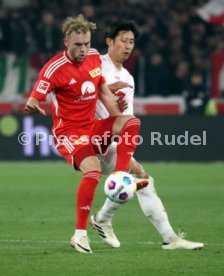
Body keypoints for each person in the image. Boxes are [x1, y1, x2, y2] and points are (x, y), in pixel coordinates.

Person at [24, 14, 143, 254]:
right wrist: (33, 106)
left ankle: (119, 175)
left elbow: (103, 92)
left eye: (87, 43)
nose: (84, 49)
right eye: (78, 44)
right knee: (93, 171)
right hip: (69, 132)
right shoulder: (53, 69)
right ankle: (79, 234)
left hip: (92, 126)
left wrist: (114, 119)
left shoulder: (92, 58)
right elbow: (32, 100)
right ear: (66, 42)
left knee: (131, 122)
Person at [90, 21, 204, 250]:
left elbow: (127, 119)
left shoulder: (128, 78)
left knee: (143, 180)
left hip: (109, 142)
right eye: (123, 40)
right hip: (89, 137)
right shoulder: (94, 64)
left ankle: (168, 238)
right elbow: (79, 95)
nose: (128, 46)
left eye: (131, 41)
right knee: (132, 179)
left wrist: (119, 111)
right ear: (109, 41)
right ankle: (102, 218)